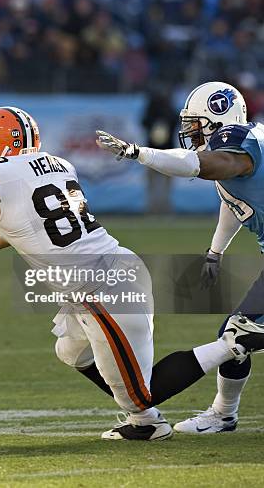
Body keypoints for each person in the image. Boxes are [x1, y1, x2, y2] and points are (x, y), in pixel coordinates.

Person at [0, 105, 264, 441]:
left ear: (0, 143)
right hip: (103, 277)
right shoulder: (56, 165)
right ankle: (145, 424)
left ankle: (232, 345)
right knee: (70, 350)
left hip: (103, 287)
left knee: (142, 393)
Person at [96, 80, 264, 434]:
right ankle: (224, 414)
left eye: (196, 123)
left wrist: (139, 153)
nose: (190, 131)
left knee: (238, 336)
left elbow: (197, 163)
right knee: (236, 333)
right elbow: (234, 204)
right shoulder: (238, 159)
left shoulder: (238, 147)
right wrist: (215, 253)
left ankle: (223, 414)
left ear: (218, 117)